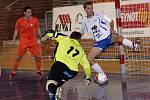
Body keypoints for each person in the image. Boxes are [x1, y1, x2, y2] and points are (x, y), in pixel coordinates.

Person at [81, 1, 140, 84]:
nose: (90, 10)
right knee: (89, 58)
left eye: (91, 8)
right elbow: (81, 32)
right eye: (88, 8)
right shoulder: (84, 21)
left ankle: (134, 45)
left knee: (117, 37)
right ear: (85, 9)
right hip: (99, 42)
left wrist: (112, 29)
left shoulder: (99, 14)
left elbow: (111, 21)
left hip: (107, 36)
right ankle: (103, 75)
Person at [41, 30, 91, 100]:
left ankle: (56, 91)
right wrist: (87, 78)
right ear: (79, 39)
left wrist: (45, 36)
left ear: (71, 36)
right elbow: (86, 65)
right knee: (55, 85)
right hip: (71, 73)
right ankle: (56, 92)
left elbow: (52, 33)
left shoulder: (65, 38)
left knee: (49, 85)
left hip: (60, 66)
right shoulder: (81, 50)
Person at [9, 6, 42, 80]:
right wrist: (13, 40)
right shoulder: (19, 21)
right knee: (18, 57)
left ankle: (38, 71)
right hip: (24, 42)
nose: (30, 13)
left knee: (37, 56)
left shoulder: (35, 19)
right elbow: (16, 30)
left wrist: (41, 37)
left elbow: (38, 29)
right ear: (24, 13)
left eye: (31, 12)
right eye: (29, 12)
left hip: (33, 41)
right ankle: (13, 72)